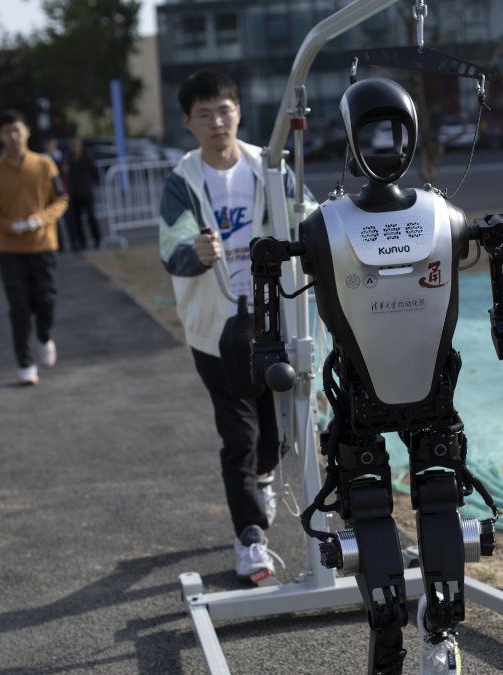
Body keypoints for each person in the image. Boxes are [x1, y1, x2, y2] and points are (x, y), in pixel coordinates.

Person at [157, 70, 317, 584]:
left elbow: (306, 215)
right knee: (239, 434)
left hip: (273, 314)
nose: (216, 121)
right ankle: (250, 539)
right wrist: (196, 252)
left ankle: (264, 476)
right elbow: (171, 250)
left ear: (238, 112)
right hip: (215, 325)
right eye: (203, 114)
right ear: (188, 122)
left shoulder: (267, 164)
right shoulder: (183, 180)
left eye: (223, 110)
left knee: (278, 432)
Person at [0, 109, 69, 386]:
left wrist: (41, 219)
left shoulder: (44, 164)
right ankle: (25, 363)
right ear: (0, 136)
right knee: (18, 306)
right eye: (7, 131)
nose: (13, 136)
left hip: (43, 244)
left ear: (27, 131)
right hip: (10, 249)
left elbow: (61, 199)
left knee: (46, 300)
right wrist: (4, 224)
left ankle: (44, 337)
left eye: (17, 130)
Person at [65, 137, 102, 250]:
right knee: (76, 220)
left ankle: (97, 239)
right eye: (72, 144)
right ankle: (81, 242)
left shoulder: (87, 158)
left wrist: (93, 184)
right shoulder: (69, 159)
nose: (74, 146)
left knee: (91, 217)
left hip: (86, 192)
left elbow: (95, 173)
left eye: (76, 144)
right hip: (74, 193)